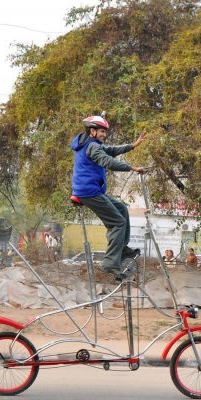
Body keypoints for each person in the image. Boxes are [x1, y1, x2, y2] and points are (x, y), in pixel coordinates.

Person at [71, 115, 147, 278]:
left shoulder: (90, 144)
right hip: (89, 192)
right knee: (118, 223)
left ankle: (123, 250)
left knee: (122, 208)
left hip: (91, 190)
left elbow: (111, 150)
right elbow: (107, 161)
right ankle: (111, 263)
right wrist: (131, 168)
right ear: (92, 131)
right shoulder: (92, 147)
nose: (104, 135)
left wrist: (133, 146)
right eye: (102, 132)